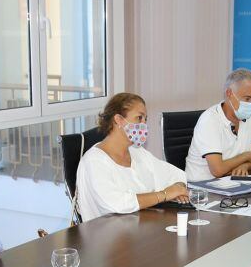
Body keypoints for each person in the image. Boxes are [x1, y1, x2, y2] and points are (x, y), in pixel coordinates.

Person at [75, 92, 190, 222]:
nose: (144, 125)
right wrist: (164, 195)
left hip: (140, 228)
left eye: (145, 119)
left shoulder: (136, 152)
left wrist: (178, 189)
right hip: (107, 236)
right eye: (139, 118)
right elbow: (118, 203)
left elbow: (176, 174)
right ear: (118, 120)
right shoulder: (94, 161)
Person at [184, 68, 251, 181]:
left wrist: (245, 166)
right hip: (203, 189)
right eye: (247, 98)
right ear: (229, 94)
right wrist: (247, 156)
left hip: (232, 182)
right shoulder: (209, 120)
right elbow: (218, 170)